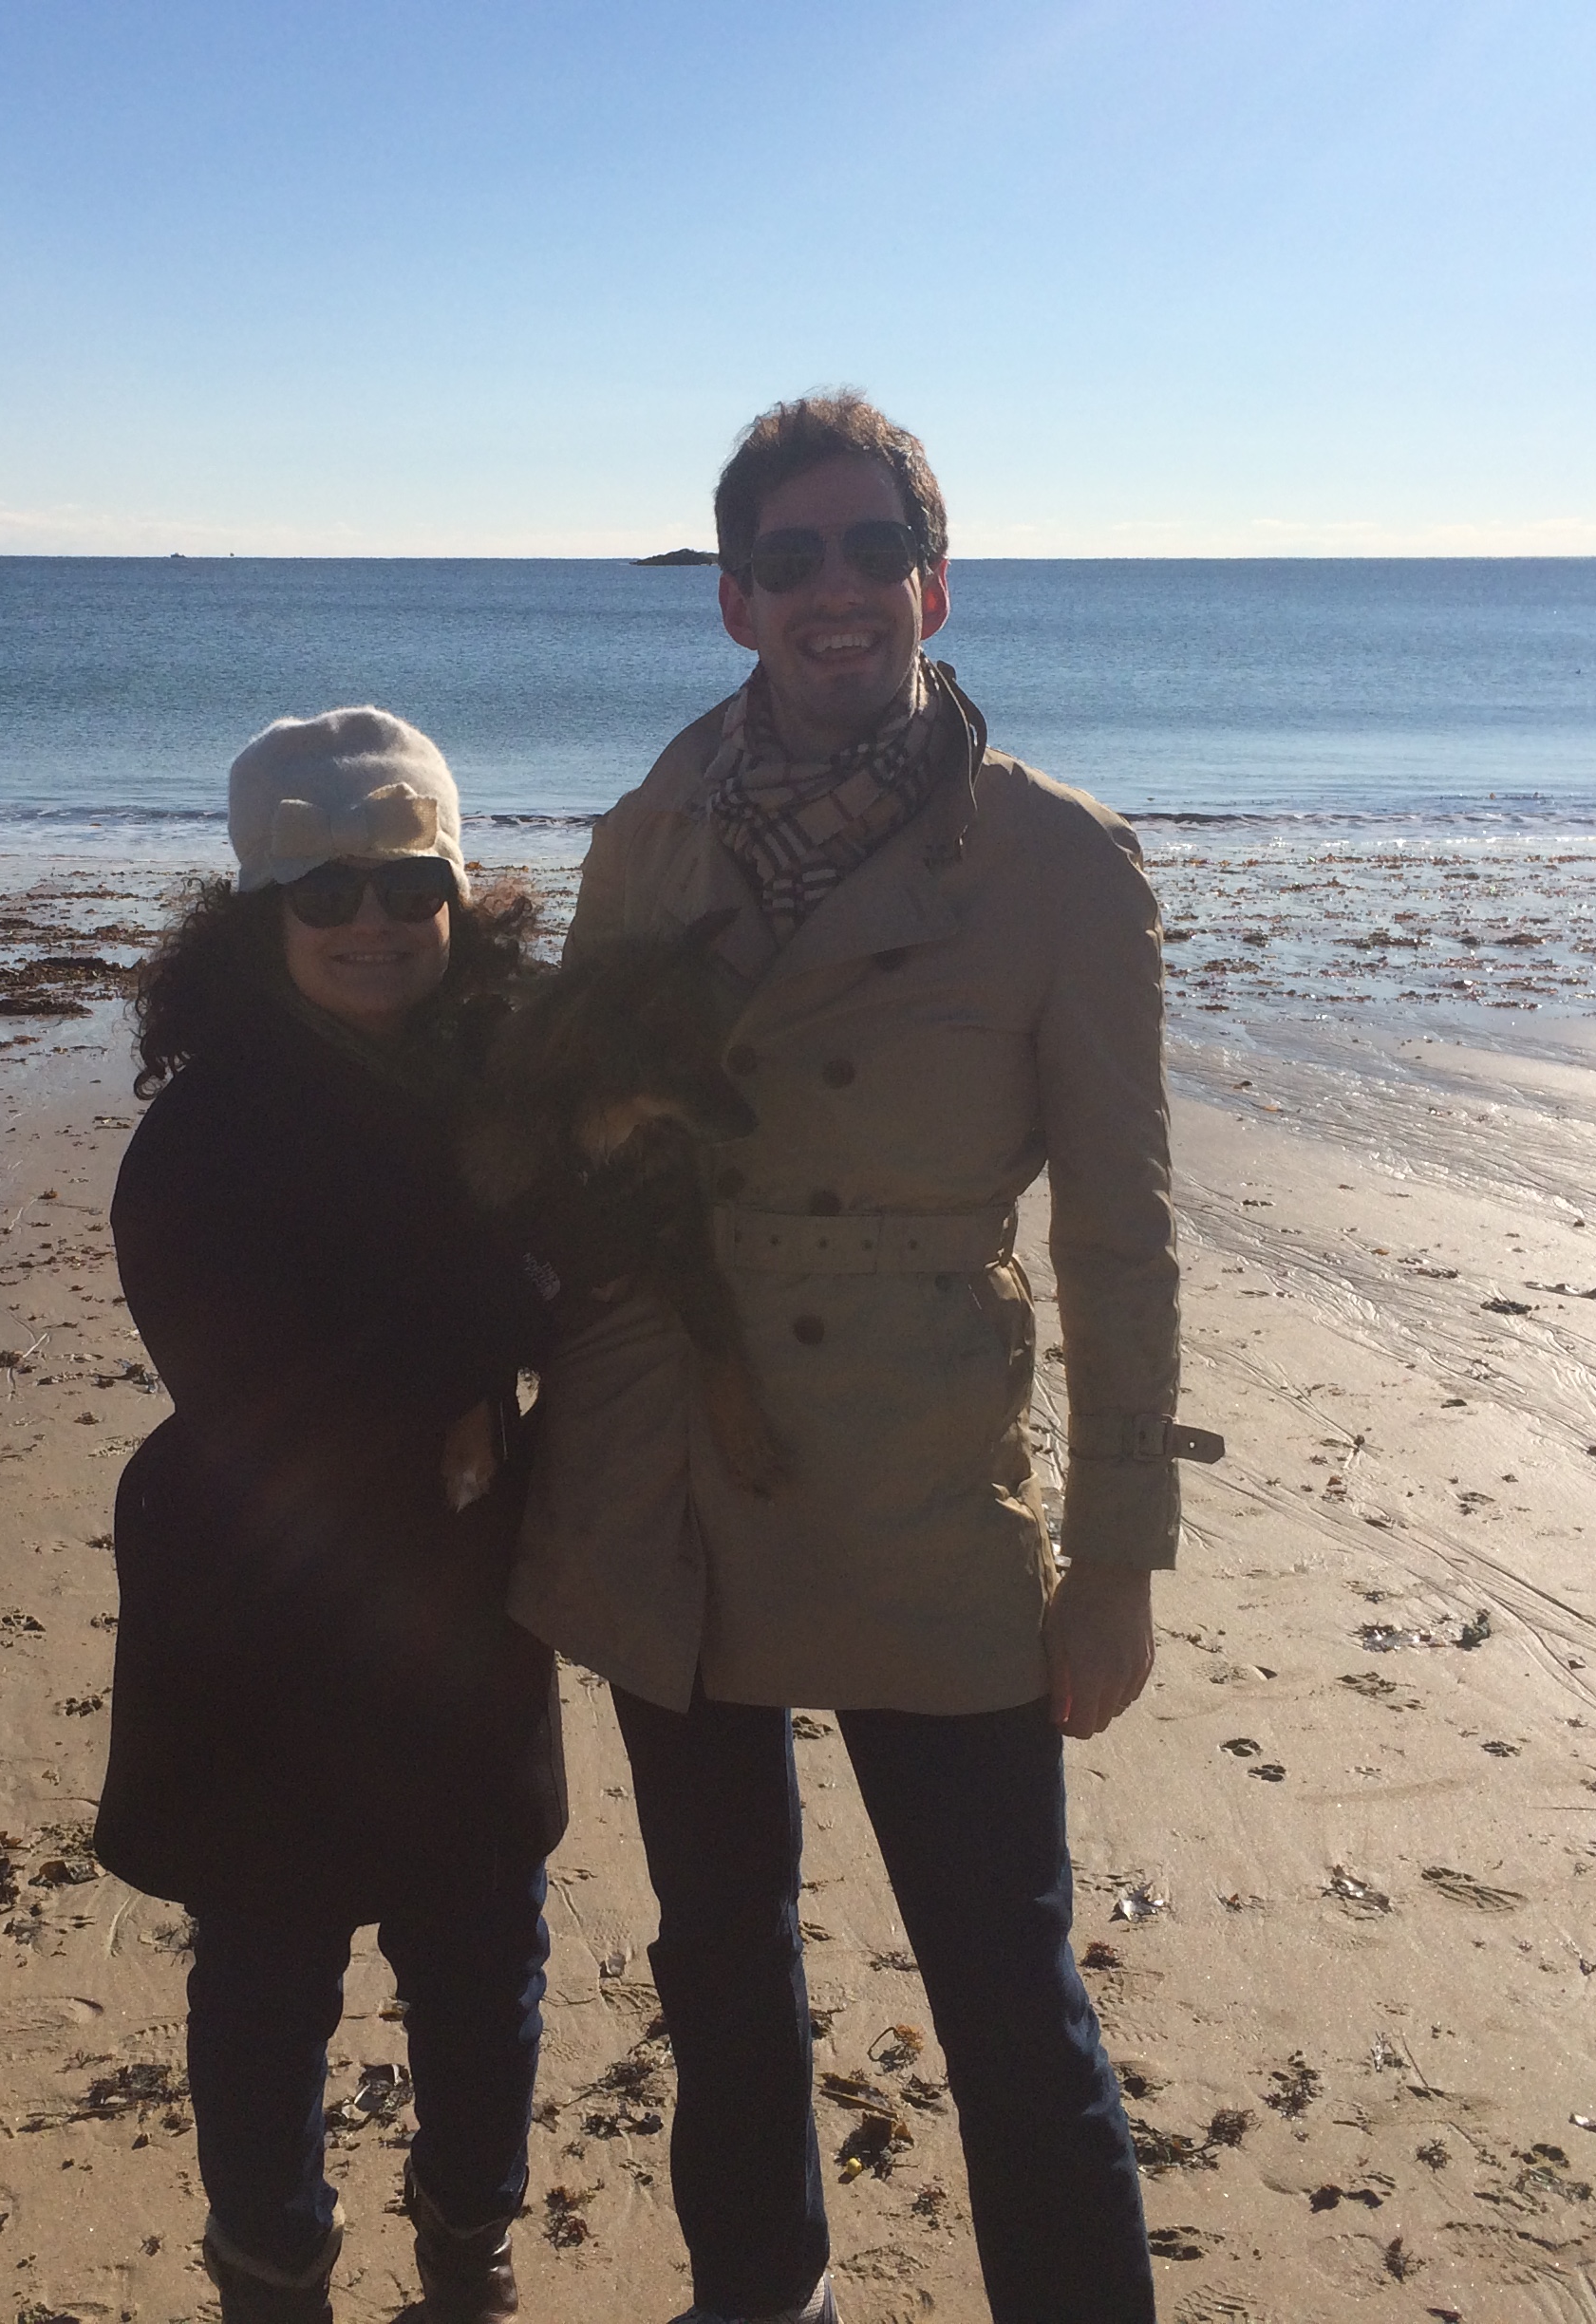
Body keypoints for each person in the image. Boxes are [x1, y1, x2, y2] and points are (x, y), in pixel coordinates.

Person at [513, 394, 1203, 2324]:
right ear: (734, 600)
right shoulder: (648, 832)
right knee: (719, 1964)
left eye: (868, 553)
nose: (835, 593)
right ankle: (767, 2297)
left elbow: (1122, 1236)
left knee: (1005, 1987)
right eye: (788, 561)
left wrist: (1119, 1556)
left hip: (915, 1479)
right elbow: (577, 1148)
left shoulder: (1060, 866)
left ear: (933, 580)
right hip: (670, 1457)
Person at [98, 706, 562, 2324]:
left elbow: (606, 1268)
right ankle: (271, 2274)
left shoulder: (521, 1087)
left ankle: (467, 2250)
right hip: (258, 1622)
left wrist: (493, 1352)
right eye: (325, 893)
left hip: (459, 1609)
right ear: (260, 914)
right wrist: (487, 1330)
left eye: (410, 881)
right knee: (270, 1973)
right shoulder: (201, 1140)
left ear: (461, 887)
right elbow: (263, 1398)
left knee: (485, 1957)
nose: (374, 923)